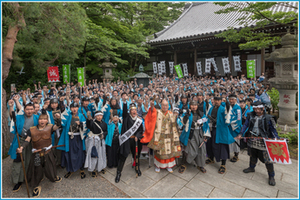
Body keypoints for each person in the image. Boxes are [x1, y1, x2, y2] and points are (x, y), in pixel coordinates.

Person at [17, 112, 62, 197]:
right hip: (37, 154)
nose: (42, 121)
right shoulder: (32, 129)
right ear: (38, 120)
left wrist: (58, 119)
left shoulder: (50, 127)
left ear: (47, 120)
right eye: (40, 119)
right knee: (36, 171)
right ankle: (36, 186)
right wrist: (22, 147)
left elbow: (58, 126)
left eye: (44, 119)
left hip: (48, 153)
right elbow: (27, 140)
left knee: (51, 167)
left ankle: (53, 177)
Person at [236, 101, 279, 186]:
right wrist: (241, 133)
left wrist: (276, 139)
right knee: (253, 154)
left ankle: (271, 175)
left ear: (263, 108)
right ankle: (252, 167)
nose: (256, 110)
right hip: (252, 138)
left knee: (267, 160)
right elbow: (245, 125)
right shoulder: (250, 115)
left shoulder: (269, 118)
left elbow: (273, 130)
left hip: (264, 140)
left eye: (258, 109)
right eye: (255, 109)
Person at [142, 99, 181, 173]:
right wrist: (152, 106)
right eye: (163, 105)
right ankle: (158, 166)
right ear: (161, 105)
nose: (165, 106)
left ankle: (169, 166)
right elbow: (151, 113)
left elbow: (174, 125)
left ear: (168, 106)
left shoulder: (171, 113)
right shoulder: (157, 112)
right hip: (159, 136)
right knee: (160, 152)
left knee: (169, 152)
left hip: (169, 136)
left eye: (166, 105)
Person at [8, 103, 39, 192]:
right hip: (20, 140)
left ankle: (28, 177)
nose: (29, 111)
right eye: (27, 109)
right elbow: (12, 115)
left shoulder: (37, 118)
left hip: (32, 142)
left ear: (34, 110)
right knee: (19, 160)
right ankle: (18, 181)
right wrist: (11, 107)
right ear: (24, 110)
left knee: (30, 160)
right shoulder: (19, 117)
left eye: (31, 109)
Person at [57, 102, 88, 179]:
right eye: (72, 107)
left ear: (78, 108)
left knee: (80, 153)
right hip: (70, 137)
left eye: (76, 107)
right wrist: (59, 118)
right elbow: (63, 124)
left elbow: (86, 126)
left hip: (79, 138)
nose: (74, 109)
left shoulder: (81, 115)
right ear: (70, 108)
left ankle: (81, 169)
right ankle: (71, 169)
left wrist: (80, 124)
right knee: (70, 153)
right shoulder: (68, 116)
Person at [178, 101, 210, 174]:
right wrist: (187, 116)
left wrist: (206, 136)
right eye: (192, 105)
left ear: (197, 106)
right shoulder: (187, 114)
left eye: (195, 105)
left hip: (200, 134)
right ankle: (183, 164)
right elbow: (182, 122)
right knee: (188, 150)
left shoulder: (201, 114)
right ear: (190, 106)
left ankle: (200, 165)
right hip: (190, 134)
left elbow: (206, 124)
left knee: (201, 150)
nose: (193, 106)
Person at [115, 103, 144, 183]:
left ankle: (137, 169)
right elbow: (124, 112)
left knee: (136, 155)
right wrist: (124, 102)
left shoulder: (139, 120)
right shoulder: (126, 117)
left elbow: (140, 131)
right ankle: (118, 173)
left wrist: (137, 136)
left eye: (135, 110)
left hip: (135, 141)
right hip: (127, 140)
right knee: (123, 156)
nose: (134, 111)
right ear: (130, 111)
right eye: (132, 110)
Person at [206, 96, 235, 174]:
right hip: (212, 128)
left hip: (221, 130)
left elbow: (228, 118)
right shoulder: (211, 108)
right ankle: (211, 158)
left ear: (221, 101)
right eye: (215, 100)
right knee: (210, 144)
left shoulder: (223, 108)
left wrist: (218, 121)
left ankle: (223, 164)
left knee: (222, 147)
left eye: (218, 100)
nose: (217, 101)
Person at [84, 110, 107, 177]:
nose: (99, 117)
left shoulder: (104, 124)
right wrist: (88, 118)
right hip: (93, 141)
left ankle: (101, 167)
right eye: (97, 116)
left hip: (101, 141)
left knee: (102, 154)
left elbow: (106, 131)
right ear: (95, 116)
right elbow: (88, 125)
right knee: (93, 155)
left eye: (100, 115)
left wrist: (103, 135)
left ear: (102, 116)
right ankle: (92, 169)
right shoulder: (92, 123)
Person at [227, 94, 242, 163]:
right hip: (229, 127)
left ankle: (236, 155)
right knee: (229, 141)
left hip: (235, 127)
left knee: (236, 142)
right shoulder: (228, 106)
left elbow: (238, 119)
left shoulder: (238, 108)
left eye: (232, 99)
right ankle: (228, 153)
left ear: (236, 100)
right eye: (230, 99)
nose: (231, 100)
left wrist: (229, 122)